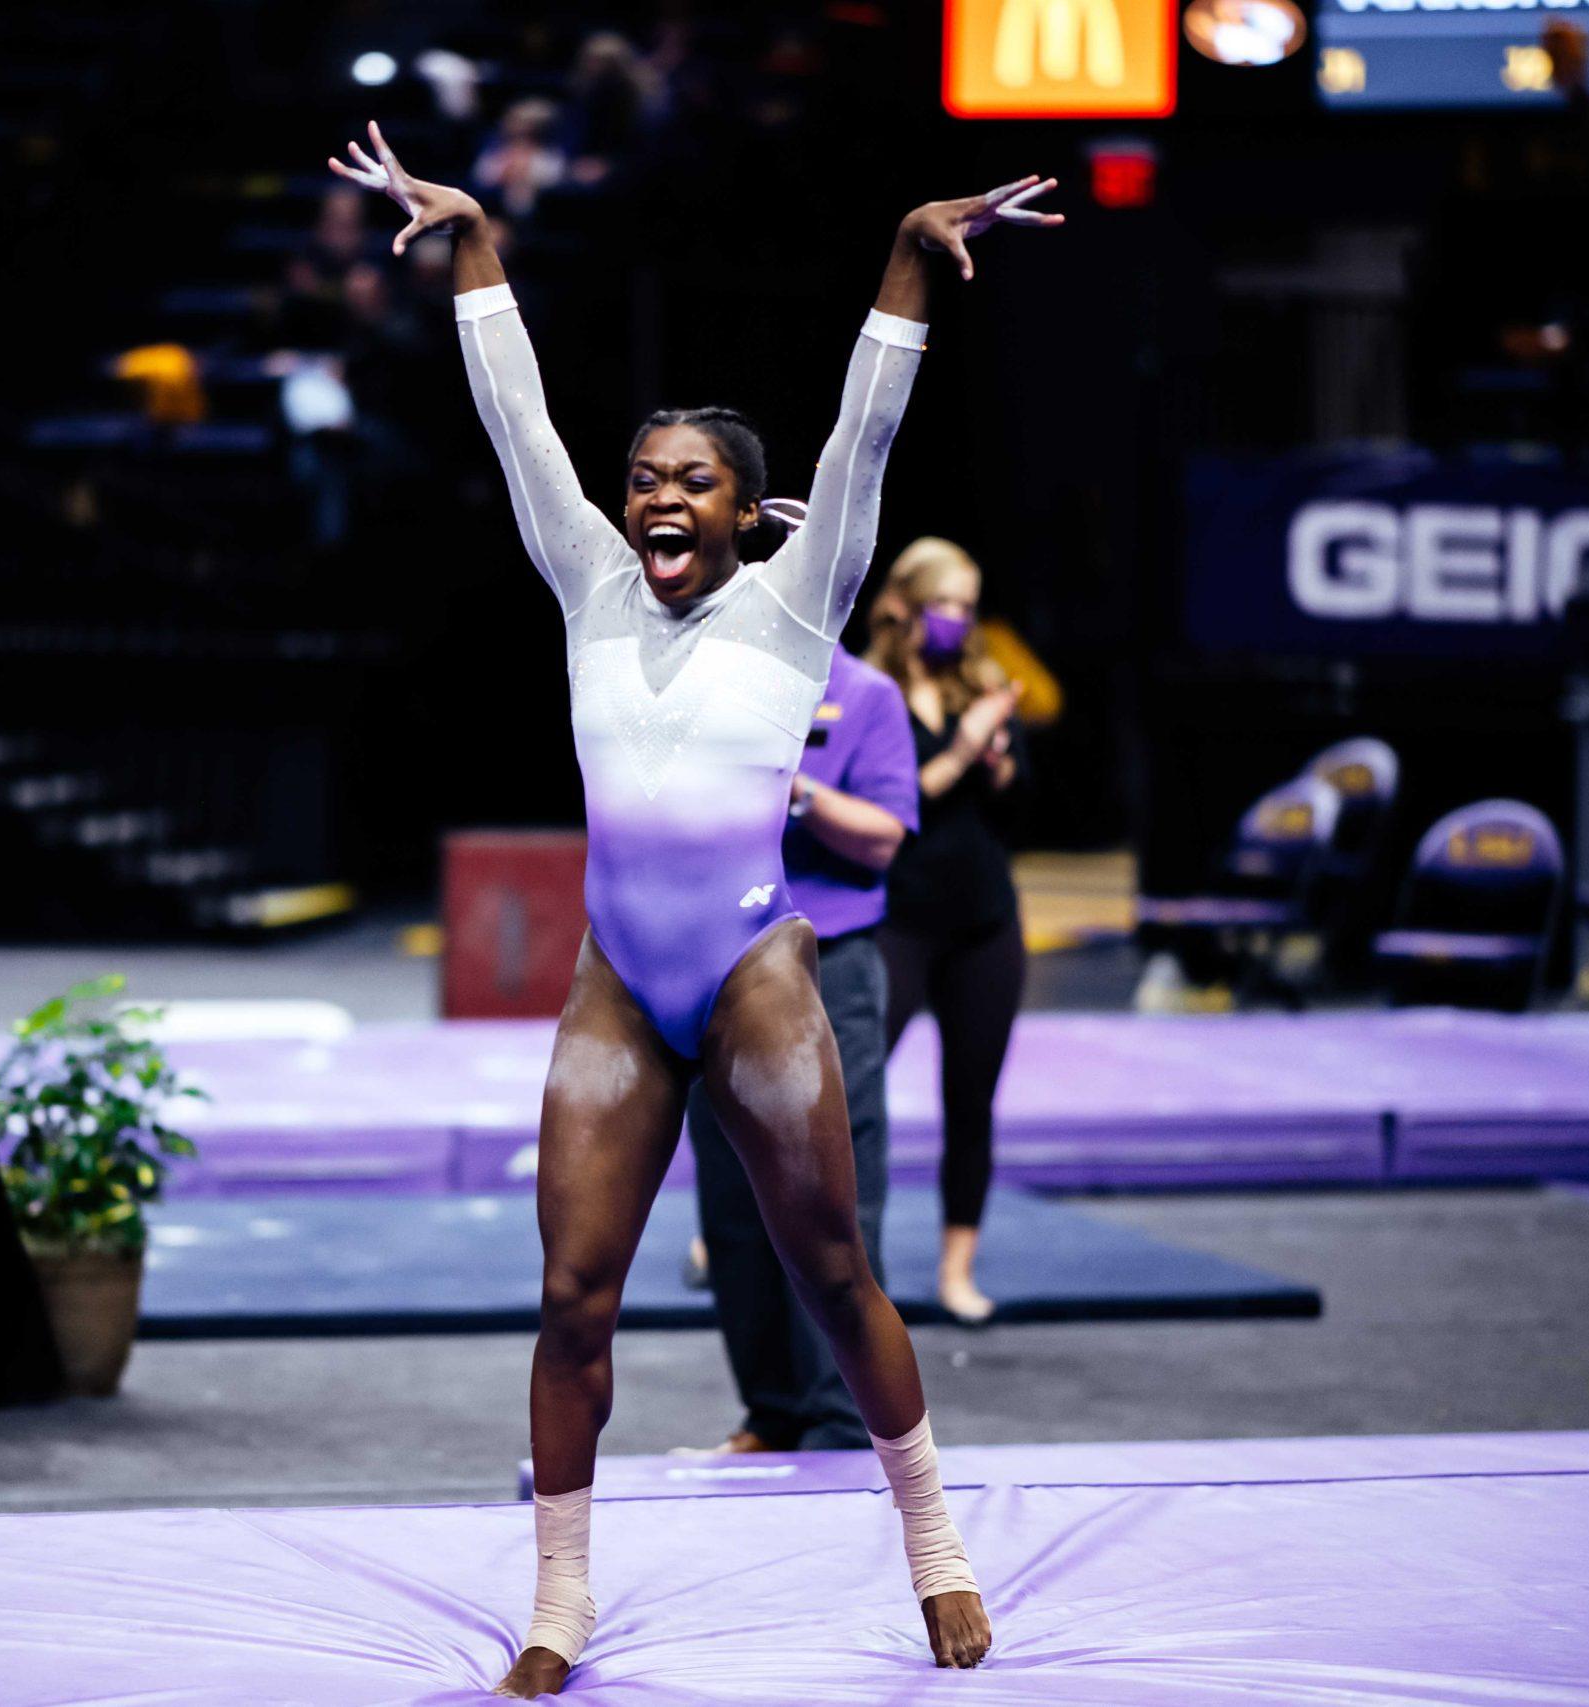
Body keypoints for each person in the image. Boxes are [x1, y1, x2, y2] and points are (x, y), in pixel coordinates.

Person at [329, 120, 1059, 1695]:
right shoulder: (590, 580)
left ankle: (935, 1541)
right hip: (617, 981)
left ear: (743, 509)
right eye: (645, 477)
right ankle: (559, 1600)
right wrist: (472, 246)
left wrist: (909, 259)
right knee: (573, 1294)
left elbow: (866, 438)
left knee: (834, 1272)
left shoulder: (799, 603)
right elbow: (517, 424)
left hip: (752, 969)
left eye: (693, 483)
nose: (658, 498)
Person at [686, 647, 919, 1453]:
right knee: (729, 1195)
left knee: (834, 1194)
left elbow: (885, 839)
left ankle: (838, 1418)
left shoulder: (867, 694)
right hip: (717, 955)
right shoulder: (703, 679)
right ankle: (774, 1410)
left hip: (829, 963)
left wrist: (797, 792)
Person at [864, 538, 1027, 1327]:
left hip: (983, 919)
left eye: (969, 606)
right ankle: (765, 1230)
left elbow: (1014, 792)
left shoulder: (983, 682)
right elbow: (895, 804)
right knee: (843, 1091)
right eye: (946, 605)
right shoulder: (871, 691)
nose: (960, 621)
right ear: (905, 605)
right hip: (895, 917)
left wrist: (997, 759)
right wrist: (964, 752)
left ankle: (957, 1268)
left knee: (973, 1099)